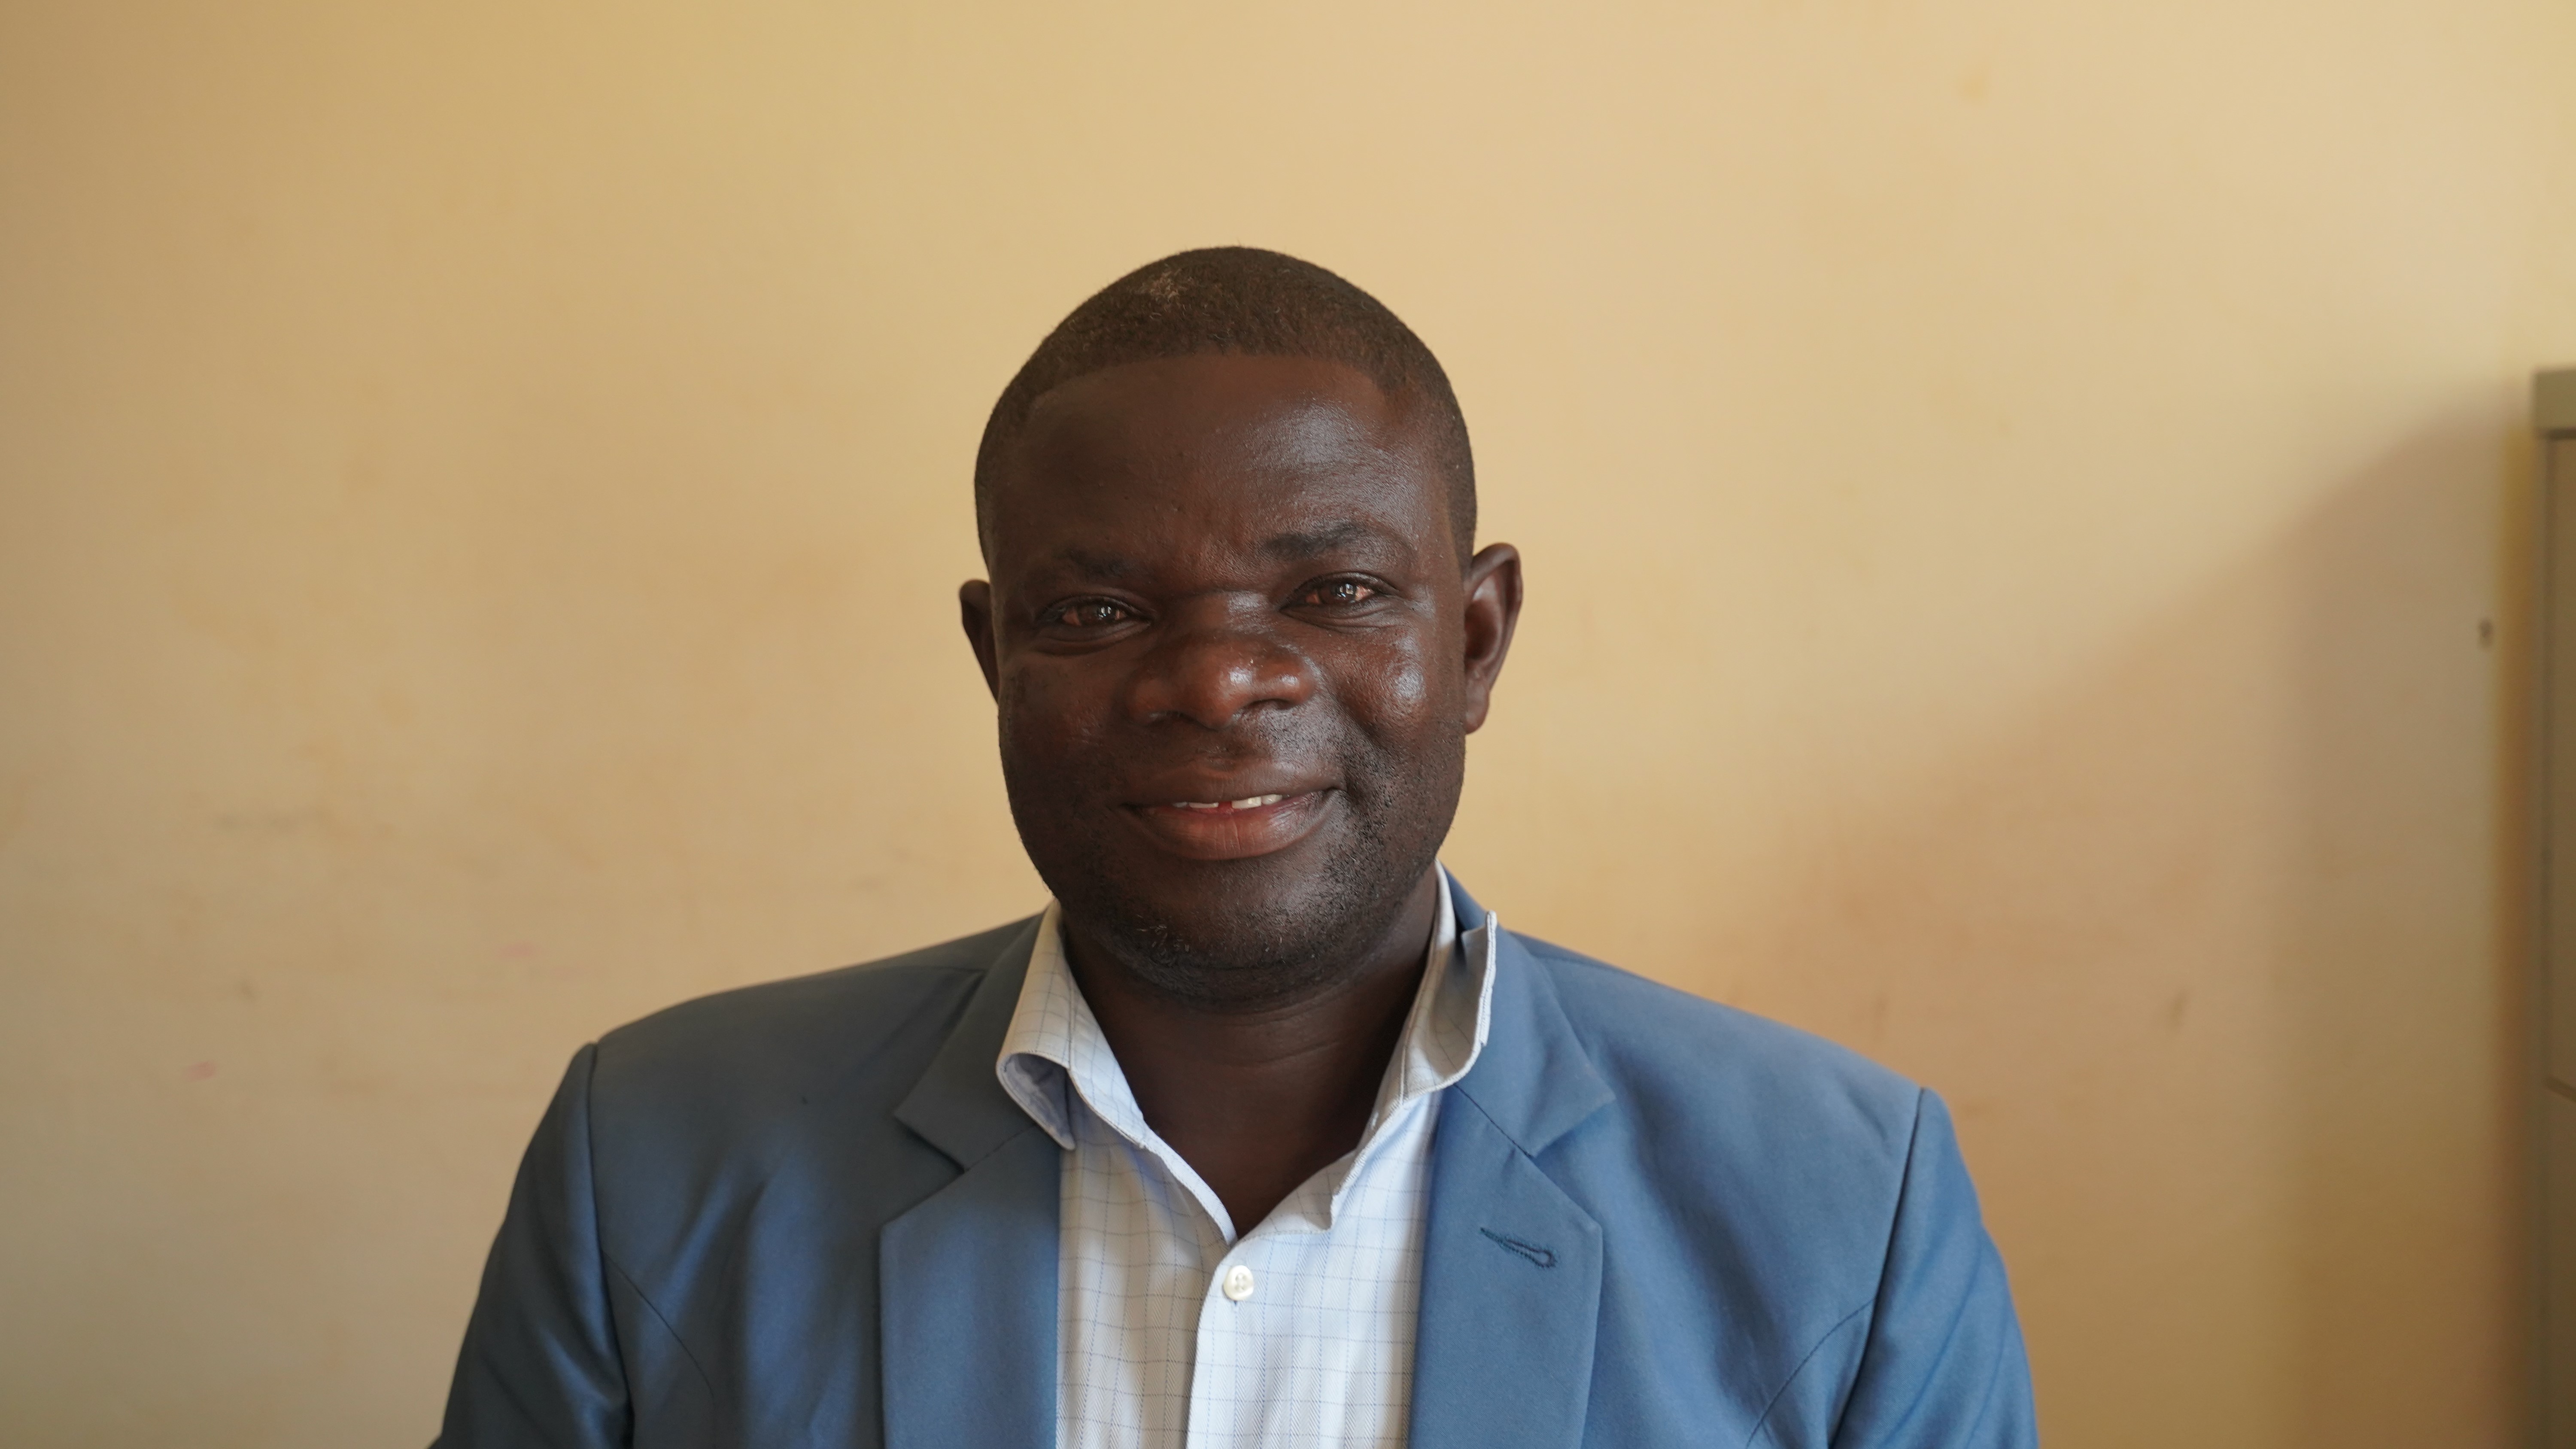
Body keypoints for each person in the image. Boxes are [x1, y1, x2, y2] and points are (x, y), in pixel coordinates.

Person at [435, 247, 2036, 1448]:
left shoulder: (1844, 1207)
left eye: (1333, 592)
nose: (1216, 678)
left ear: (1475, 642)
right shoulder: (652, 1161)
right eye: (1102, 610)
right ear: (998, 659)